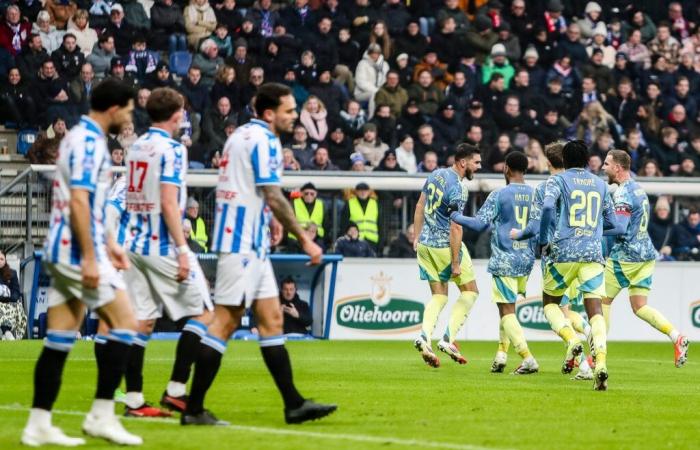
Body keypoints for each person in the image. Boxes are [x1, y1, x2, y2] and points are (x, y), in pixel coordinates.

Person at [185, 82, 336, 425]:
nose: (294, 117)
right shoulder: (265, 140)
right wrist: (305, 238)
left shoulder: (240, 136)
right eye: (288, 111)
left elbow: (250, 187)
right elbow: (272, 192)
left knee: (271, 321)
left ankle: (294, 404)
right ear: (269, 114)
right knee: (224, 323)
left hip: (250, 243)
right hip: (240, 245)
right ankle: (193, 409)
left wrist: (269, 221)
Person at [21, 79, 142, 446]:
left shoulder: (78, 137)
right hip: (77, 252)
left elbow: (89, 204)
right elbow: (78, 203)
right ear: (114, 107)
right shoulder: (90, 143)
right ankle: (102, 415)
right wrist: (92, 256)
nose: (130, 116)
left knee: (59, 338)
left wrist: (109, 243)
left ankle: (38, 423)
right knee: (125, 323)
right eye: (129, 109)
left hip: (62, 248)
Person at [116, 88, 215, 418]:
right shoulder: (172, 150)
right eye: (183, 112)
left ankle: (134, 401)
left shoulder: (136, 147)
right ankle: (175, 390)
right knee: (204, 313)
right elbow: (170, 203)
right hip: (161, 246)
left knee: (142, 322)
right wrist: (183, 250)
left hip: (133, 244)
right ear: (177, 115)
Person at [535, 140, 619, 391]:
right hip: (593, 254)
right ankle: (601, 363)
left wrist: (543, 239)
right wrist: (592, 230)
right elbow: (612, 222)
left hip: (563, 251)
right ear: (585, 160)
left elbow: (549, 206)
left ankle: (572, 341)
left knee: (551, 303)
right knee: (595, 310)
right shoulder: (601, 184)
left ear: (565, 160)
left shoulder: (557, 180)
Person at [451, 151, 539, 374]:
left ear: (506, 168)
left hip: (505, 259)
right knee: (508, 308)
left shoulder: (499, 194)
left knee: (506, 310)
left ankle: (527, 357)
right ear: (526, 170)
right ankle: (501, 355)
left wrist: (454, 216)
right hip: (527, 259)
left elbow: (479, 224)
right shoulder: (536, 194)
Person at [601, 150, 689, 367]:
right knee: (640, 306)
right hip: (646, 255)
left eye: (606, 164)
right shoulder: (639, 189)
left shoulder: (622, 193)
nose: (603, 168)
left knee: (601, 302)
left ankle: (597, 355)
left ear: (618, 168)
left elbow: (620, 227)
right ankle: (676, 336)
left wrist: (596, 229)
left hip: (625, 257)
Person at [413, 144, 482, 368]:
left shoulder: (436, 174)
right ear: (463, 162)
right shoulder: (459, 188)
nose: (478, 167)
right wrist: (455, 262)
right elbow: (456, 227)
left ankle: (424, 337)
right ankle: (447, 339)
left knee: (439, 296)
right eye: (476, 162)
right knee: (470, 291)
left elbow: (420, 204)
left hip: (425, 245)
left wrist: (417, 235)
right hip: (444, 245)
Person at [343, 182, 380, 252]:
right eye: (360, 190)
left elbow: (380, 224)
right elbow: (344, 224)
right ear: (356, 192)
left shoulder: (375, 203)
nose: (363, 192)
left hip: (372, 241)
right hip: (354, 240)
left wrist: (380, 243)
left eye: (365, 190)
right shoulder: (349, 203)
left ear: (369, 191)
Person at [0, 249, 25, 340]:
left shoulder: (12, 273)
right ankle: (6, 332)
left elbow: (16, 293)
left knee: (13, 305)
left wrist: (5, 299)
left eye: (1, 259)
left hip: (10, 304)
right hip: (3, 303)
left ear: (5, 260)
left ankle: (5, 332)